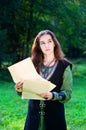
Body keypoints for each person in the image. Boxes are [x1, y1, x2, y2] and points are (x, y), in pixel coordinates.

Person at [15, 30, 73, 130]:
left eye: (49, 41)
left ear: (54, 43)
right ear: (39, 46)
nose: (47, 45)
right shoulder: (32, 64)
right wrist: (20, 89)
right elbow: (24, 91)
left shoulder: (64, 66)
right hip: (33, 118)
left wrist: (53, 95)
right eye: (43, 43)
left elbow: (67, 94)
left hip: (55, 119)